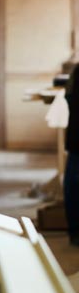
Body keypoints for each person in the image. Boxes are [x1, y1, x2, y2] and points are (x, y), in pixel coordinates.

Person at [63, 63, 79, 246]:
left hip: (76, 139)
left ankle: (75, 232)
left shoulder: (76, 70)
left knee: (73, 186)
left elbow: (68, 97)